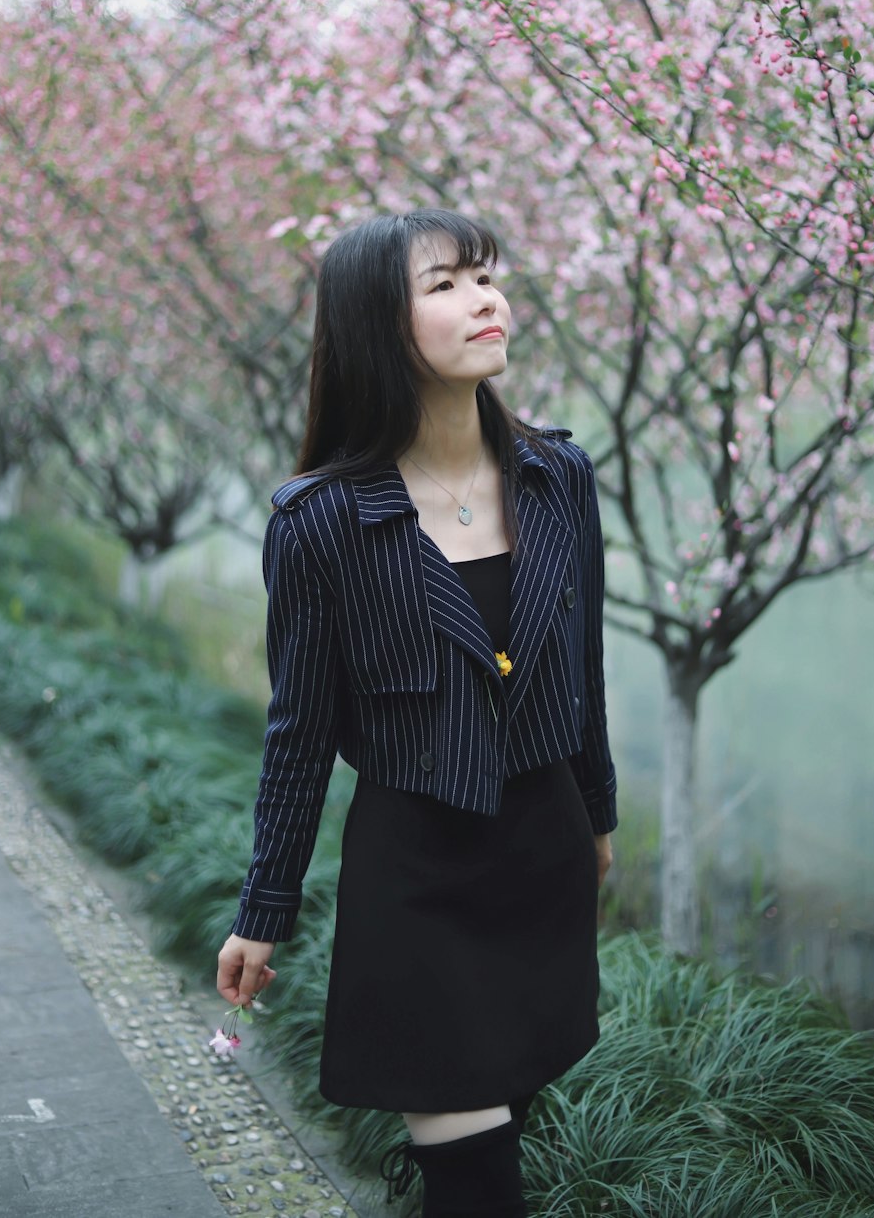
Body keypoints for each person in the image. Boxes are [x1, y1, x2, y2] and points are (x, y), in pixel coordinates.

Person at [216, 208, 617, 1218]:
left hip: (544, 856)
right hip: (417, 878)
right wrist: (268, 906)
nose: (485, 300)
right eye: (443, 285)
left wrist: (596, 817)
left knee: (499, 1135)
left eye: (486, 276)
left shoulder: (558, 477)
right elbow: (299, 733)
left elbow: (585, 668)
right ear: (374, 325)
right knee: (473, 1174)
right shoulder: (322, 525)